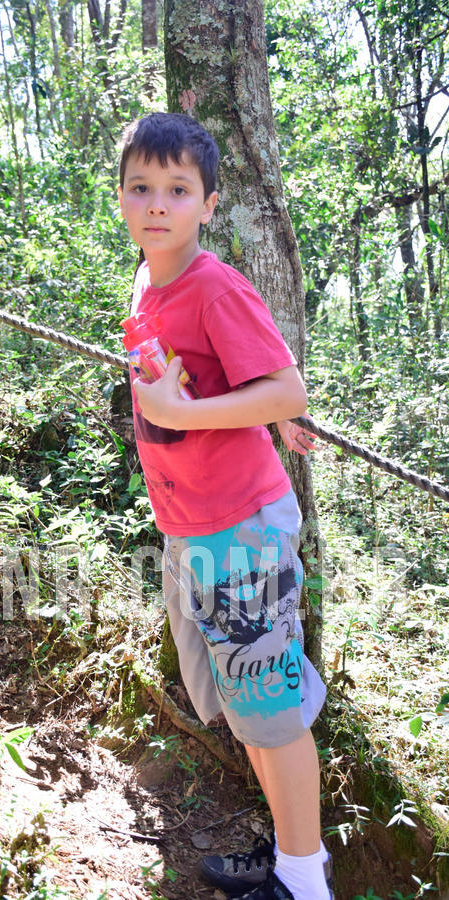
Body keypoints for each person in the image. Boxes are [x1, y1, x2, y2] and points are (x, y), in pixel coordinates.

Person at [118, 111, 330, 900]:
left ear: (209, 205)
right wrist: (252, 409)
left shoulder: (213, 284)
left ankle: (306, 883)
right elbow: (235, 383)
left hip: (240, 527)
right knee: (247, 702)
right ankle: (289, 854)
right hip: (194, 529)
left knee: (268, 708)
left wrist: (193, 415)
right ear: (121, 199)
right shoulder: (147, 281)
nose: (158, 204)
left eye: (178, 190)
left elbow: (288, 386)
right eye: (141, 188)